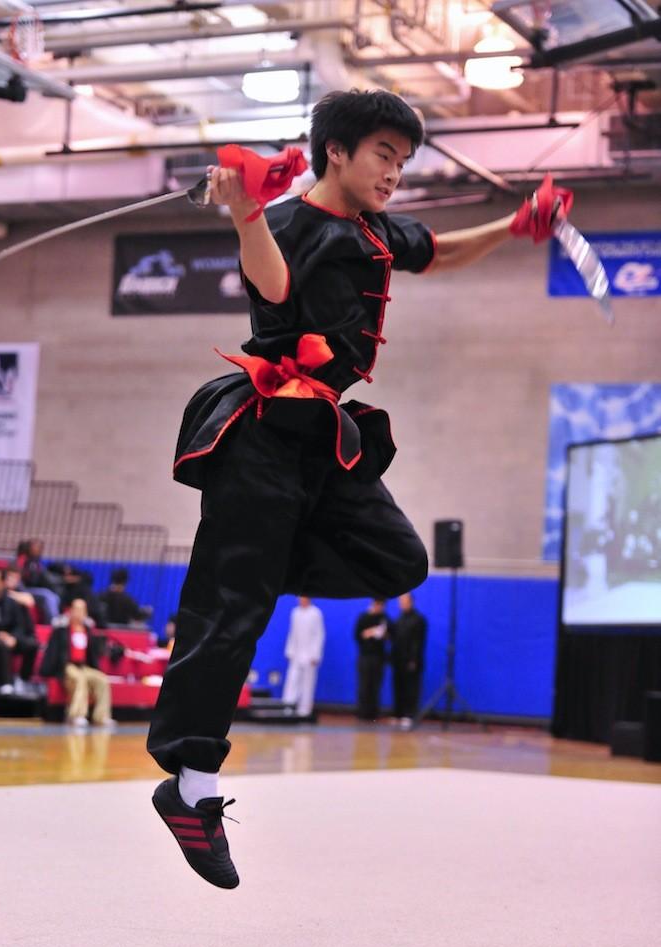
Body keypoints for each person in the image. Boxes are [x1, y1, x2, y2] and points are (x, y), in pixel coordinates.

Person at [146, 88, 574, 890]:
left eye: (403, 162)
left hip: (321, 434)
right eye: (384, 155)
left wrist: (516, 226)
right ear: (335, 151)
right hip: (262, 429)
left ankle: (252, 578)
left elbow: (437, 251)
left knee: (398, 561)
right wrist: (245, 212)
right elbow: (273, 290)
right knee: (232, 613)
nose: (394, 174)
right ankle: (191, 788)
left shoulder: (376, 229)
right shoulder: (287, 221)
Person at [39, 598, 114, 729]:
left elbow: (93, 654)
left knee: (102, 680)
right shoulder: (61, 631)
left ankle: (101, 716)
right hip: (67, 666)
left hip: (84, 666)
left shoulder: (88, 631)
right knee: (79, 679)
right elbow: (53, 652)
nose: (79, 613)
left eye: (82, 610)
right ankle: (77, 715)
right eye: (76, 609)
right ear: (71, 611)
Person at [0, 567, 39, 694]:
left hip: (14, 636)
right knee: (1, 644)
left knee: (33, 644)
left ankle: (23, 679)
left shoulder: (15, 599)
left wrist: (14, 638)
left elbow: (20, 623)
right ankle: (6, 683)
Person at [282, 596, 325, 719]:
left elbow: (319, 635)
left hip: (309, 655)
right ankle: (287, 707)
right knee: (292, 680)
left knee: (307, 683)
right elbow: (293, 633)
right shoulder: (295, 612)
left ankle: (304, 710)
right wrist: (290, 651)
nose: (301, 599)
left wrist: (315, 655)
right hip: (296, 653)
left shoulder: (316, 613)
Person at [391, 592, 427, 729]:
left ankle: (409, 715)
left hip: (411, 661)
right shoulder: (399, 619)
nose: (401, 604)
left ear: (411, 602)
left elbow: (418, 642)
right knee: (398, 687)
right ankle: (398, 714)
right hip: (398, 660)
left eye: (404, 601)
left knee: (410, 688)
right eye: (400, 601)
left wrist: (413, 659)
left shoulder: (418, 620)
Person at [354, 598, 391, 721]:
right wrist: (368, 633)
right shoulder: (363, 618)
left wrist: (384, 635)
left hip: (378, 657)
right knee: (364, 685)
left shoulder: (385, 619)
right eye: (377, 605)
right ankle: (362, 712)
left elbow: (392, 635)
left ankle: (373, 713)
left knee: (376, 685)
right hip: (365, 656)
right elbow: (357, 635)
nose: (378, 607)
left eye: (381, 605)